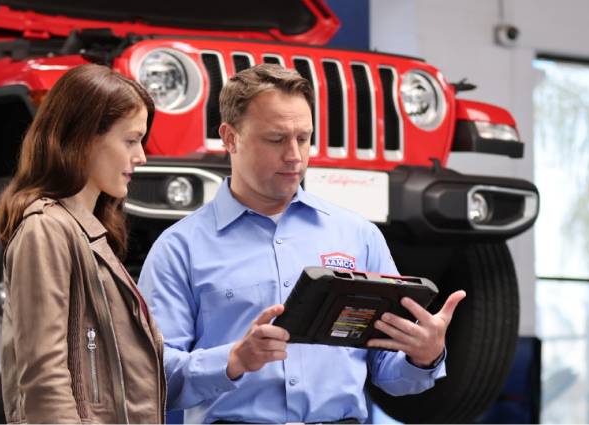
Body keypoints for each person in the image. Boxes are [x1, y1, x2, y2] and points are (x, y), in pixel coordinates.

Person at [138, 63, 466, 425]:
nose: (294, 155)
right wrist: (234, 360)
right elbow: (150, 378)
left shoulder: (358, 235)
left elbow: (389, 371)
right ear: (230, 138)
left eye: (304, 138)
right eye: (276, 139)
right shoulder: (179, 248)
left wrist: (425, 356)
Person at [0, 64, 166, 425]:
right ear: (86, 137)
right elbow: (45, 381)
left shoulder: (86, 231)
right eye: (131, 140)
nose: (142, 157)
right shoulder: (46, 230)